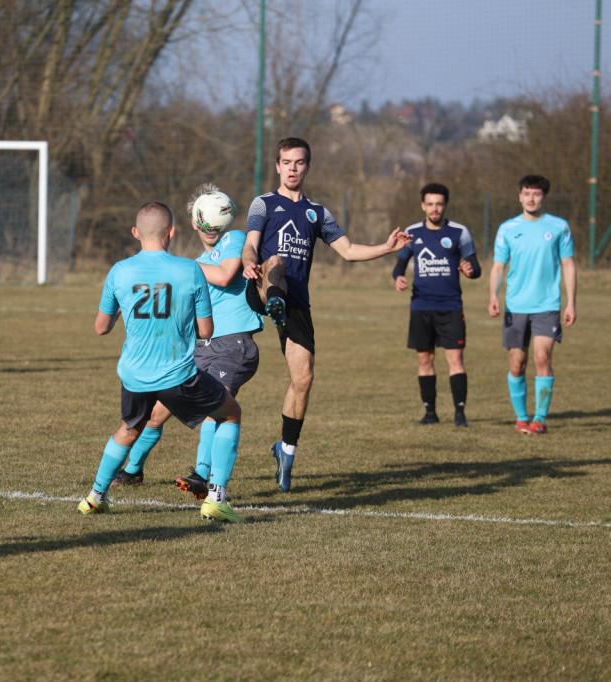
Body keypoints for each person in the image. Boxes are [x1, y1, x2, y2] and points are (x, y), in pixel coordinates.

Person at [242, 137, 411, 492]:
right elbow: (252, 243)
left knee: (303, 379)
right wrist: (247, 263)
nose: (292, 168)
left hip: (297, 304)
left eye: (299, 162)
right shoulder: (264, 203)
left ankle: (285, 451)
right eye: (286, 162)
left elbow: (347, 251)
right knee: (277, 261)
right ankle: (274, 300)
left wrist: (386, 247)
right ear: (277, 166)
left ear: (307, 166)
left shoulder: (317, 213)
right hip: (261, 284)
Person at [78, 201, 246, 523]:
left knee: (130, 428)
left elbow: (101, 327)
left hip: (134, 374)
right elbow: (206, 330)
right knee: (229, 413)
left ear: (135, 233)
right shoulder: (190, 269)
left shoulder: (119, 271)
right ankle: (216, 498)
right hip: (177, 374)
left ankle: (95, 497)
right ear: (171, 232)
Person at [109, 185, 262, 501]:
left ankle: (202, 475)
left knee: (215, 409)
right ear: (194, 223)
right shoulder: (194, 263)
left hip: (232, 345)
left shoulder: (233, 240)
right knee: (155, 414)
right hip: (199, 348)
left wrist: (178, 267)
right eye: (203, 223)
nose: (210, 230)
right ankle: (134, 471)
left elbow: (224, 275)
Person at [488, 174, 576, 435]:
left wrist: (571, 302)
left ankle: (539, 418)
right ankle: (521, 417)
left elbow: (568, 265)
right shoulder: (507, 228)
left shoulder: (559, 227)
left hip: (547, 305)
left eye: (536, 194)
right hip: (515, 306)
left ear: (544, 197)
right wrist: (494, 295)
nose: (531, 198)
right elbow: (498, 266)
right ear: (519, 196)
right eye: (526, 193)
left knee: (542, 357)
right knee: (517, 364)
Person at [392, 183, 481, 427]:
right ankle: (430, 412)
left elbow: (475, 267)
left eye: (439, 204)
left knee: (455, 359)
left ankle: (460, 413)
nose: (435, 208)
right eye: (430, 204)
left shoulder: (459, 232)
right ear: (423, 205)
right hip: (421, 306)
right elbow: (399, 265)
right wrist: (398, 277)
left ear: (446, 205)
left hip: (451, 305)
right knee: (425, 360)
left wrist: (470, 270)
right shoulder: (412, 233)